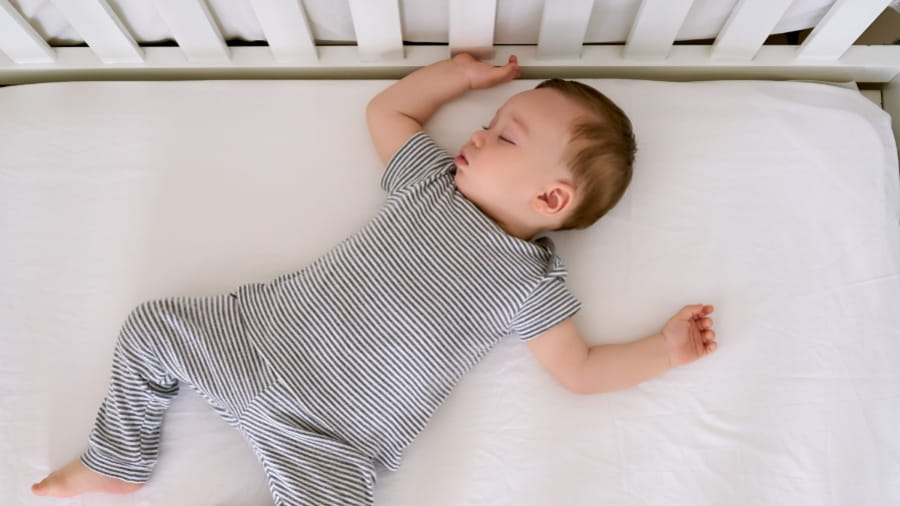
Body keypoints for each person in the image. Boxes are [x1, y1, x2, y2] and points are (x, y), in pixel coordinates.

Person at [31, 53, 717, 505]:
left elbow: (582, 368)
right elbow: (387, 112)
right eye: (487, 124)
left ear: (551, 201)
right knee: (153, 328)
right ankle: (116, 457)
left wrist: (665, 349)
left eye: (504, 137)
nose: (475, 136)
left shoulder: (530, 284)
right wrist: (457, 76)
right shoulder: (432, 185)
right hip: (251, 345)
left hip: (331, 438)